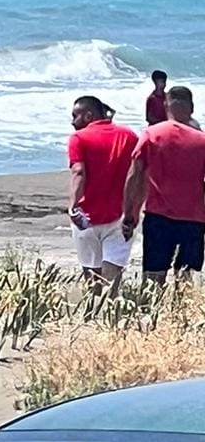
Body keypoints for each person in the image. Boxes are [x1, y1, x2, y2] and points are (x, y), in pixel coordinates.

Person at [123, 84, 205, 282]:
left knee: (153, 278)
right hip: (193, 219)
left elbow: (135, 176)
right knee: (186, 281)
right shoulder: (202, 141)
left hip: (158, 217)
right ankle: (182, 313)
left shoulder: (152, 135)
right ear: (191, 108)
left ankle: (152, 313)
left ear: (166, 106)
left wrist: (129, 214)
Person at [66, 97, 138, 290]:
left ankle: (93, 313)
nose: (72, 122)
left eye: (75, 116)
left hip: (86, 215)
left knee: (92, 275)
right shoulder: (129, 136)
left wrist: (73, 205)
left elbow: (79, 172)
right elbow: (138, 174)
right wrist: (134, 210)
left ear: (89, 115)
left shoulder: (79, 138)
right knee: (113, 274)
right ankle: (112, 313)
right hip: (120, 214)